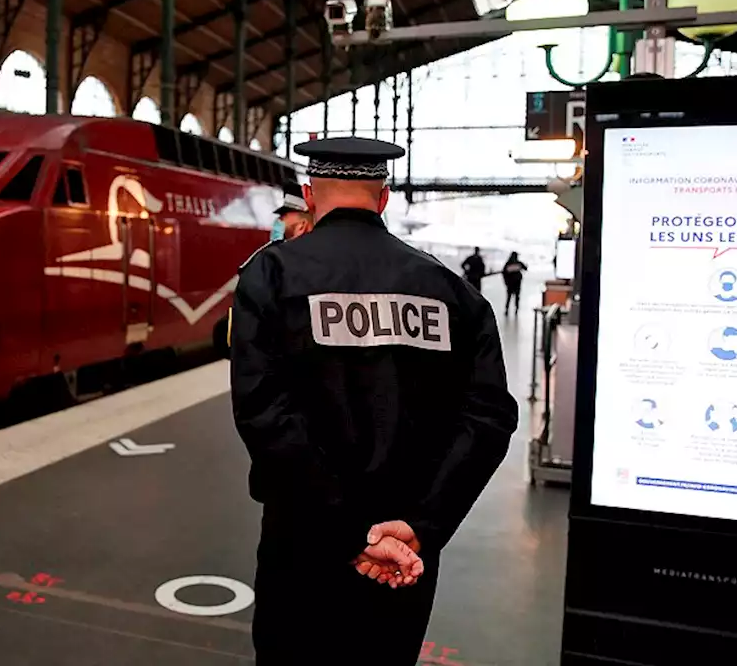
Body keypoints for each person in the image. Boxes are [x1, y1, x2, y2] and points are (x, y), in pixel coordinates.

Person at [229, 137, 519, 663]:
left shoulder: (272, 275)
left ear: (309, 194)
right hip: (402, 550)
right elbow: (489, 418)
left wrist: (349, 532)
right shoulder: (450, 291)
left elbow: (264, 414)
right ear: (384, 198)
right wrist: (424, 525)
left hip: (302, 543)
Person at [213, 190, 313, 358]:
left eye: (284, 217)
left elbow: (244, 332)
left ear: (302, 225)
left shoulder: (271, 263)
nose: (278, 222)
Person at [501, 251, 528, 316]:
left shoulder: (508, 263)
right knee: (517, 297)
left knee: (508, 297)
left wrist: (506, 282)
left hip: (510, 284)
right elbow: (525, 268)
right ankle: (516, 309)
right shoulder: (518, 263)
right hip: (517, 284)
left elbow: (503, 272)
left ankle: (507, 309)